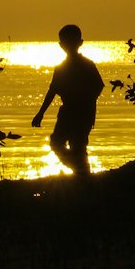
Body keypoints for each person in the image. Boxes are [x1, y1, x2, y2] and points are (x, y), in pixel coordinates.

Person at [31, 24, 104, 175]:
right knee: (57, 142)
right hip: (67, 112)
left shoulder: (88, 65)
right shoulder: (61, 68)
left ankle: (82, 174)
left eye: (72, 42)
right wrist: (40, 113)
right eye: (66, 42)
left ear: (80, 43)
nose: (69, 46)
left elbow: (98, 86)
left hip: (83, 113)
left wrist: (87, 101)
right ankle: (81, 171)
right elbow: (52, 91)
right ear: (61, 45)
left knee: (78, 145)